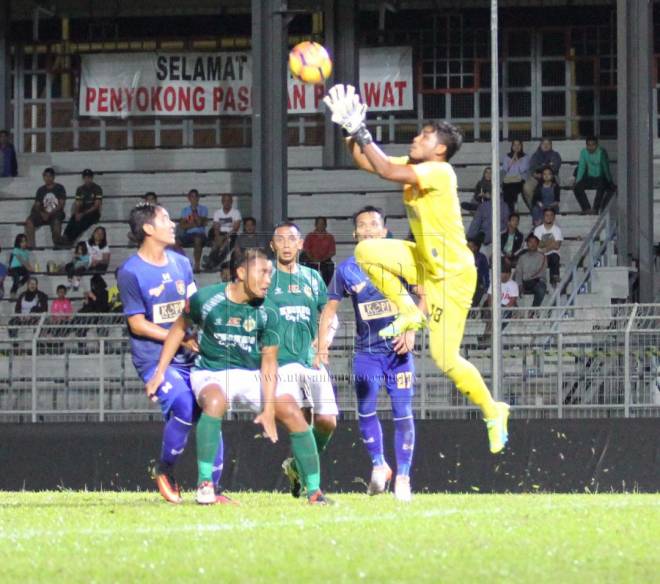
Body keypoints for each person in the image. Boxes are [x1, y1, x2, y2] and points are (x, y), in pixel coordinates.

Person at [324, 84, 509, 453]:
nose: (416, 137)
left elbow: (385, 168)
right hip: (424, 260)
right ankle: (408, 310)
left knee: (445, 359)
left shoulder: (441, 172)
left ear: (439, 148)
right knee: (366, 251)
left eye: (425, 136)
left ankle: (493, 409)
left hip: (453, 276)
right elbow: (368, 163)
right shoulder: (418, 164)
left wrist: (362, 131)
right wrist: (350, 130)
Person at [147, 247, 333, 505]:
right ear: (241, 272)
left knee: (290, 410)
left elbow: (269, 362)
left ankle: (314, 492)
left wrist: (268, 409)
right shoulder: (205, 299)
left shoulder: (269, 311)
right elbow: (179, 329)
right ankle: (205, 484)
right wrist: (159, 374)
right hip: (211, 372)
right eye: (263, 273)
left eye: (270, 273)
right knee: (215, 402)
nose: (269, 279)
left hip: (250, 374)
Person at [117, 203, 224, 505]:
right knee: (183, 403)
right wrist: (177, 339)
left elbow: (193, 308)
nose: (172, 223)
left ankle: (212, 489)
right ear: (148, 229)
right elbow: (137, 324)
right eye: (165, 219)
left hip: (191, 354)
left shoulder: (181, 263)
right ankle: (164, 469)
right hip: (153, 358)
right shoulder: (130, 272)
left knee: (210, 409)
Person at [316, 206, 417, 501]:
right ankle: (379, 465)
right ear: (355, 234)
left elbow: (424, 297)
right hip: (366, 353)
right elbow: (329, 309)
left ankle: (403, 477)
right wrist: (322, 346)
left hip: (398, 353)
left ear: (385, 231)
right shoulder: (347, 269)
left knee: (403, 413)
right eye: (363, 225)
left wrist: (410, 330)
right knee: (366, 406)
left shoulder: (403, 261)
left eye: (375, 224)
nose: (370, 229)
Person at [267, 222, 339, 500]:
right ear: (272, 246)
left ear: (300, 245)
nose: (286, 244)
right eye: (280, 240)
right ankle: (313, 489)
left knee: (327, 422)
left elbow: (329, 314)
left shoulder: (312, 278)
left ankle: (296, 467)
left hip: (311, 360)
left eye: (291, 239)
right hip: (281, 363)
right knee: (300, 420)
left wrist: (324, 342)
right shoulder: (264, 278)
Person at [25, 167, 67, 248]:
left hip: (56, 213)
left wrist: (50, 213)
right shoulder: (41, 190)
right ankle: (31, 246)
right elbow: (37, 205)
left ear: (53, 177)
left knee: (56, 222)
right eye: (46, 176)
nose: (47, 178)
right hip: (43, 213)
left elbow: (61, 204)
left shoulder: (59, 188)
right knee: (29, 221)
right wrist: (42, 213)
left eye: (49, 176)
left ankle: (57, 244)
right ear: (43, 177)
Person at [573, 136, 615, 214]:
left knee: (602, 185)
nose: (590, 147)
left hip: (601, 178)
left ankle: (596, 208)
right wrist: (577, 181)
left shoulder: (602, 152)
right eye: (588, 145)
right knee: (577, 187)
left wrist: (610, 181)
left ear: (597, 145)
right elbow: (581, 167)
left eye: (593, 145)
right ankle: (587, 208)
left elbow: (605, 168)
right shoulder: (584, 152)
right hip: (590, 177)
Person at [481, 259, 519, 340]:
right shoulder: (494, 283)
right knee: (490, 314)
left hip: (506, 309)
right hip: (495, 308)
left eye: (506, 275)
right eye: (502, 274)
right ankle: (488, 335)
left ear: (509, 274)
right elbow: (490, 298)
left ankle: (489, 335)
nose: (504, 276)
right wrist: (492, 309)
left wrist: (501, 310)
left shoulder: (513, 285)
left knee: (501, 315)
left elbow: (512, 301)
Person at [63, 169, 103, 245]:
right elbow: (78, 203)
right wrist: (77, 213)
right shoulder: (80, 189)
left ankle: (70, 240)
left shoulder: (97, 188)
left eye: (89, 177)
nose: (87, 179)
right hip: (83, 211)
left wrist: (83, 214)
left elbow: (96, 205)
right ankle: (65, 237)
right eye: (85, 177)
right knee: (73, 218)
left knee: (82, 223)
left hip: (93, 213)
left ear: (92, 178)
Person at [205, 193, 241, 270]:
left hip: (231, 234)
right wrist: (218, 238)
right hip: (219, 234)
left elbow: (236, 228)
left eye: (228, 200)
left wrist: (224, 238)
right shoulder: (217, 213)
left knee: (225, 246)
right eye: (225, 200)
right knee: (217, 244)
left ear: (231, 202)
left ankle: (212, 261)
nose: (226, 202)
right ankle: (211, 262)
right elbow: (216, 227)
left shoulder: (236, 213)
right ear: (222, 202)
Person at [522, 139, 562, 208]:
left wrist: (541, 168)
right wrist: (548, 165)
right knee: (526, 188)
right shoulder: (535, 155)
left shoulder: (555, 155)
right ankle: (535, 208)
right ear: (540, 145)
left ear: (551, 145)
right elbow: (532, 168)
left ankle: (549, 209)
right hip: (537, 177)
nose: (546, 145)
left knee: (553, 186)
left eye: (548, 144)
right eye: (544, 144)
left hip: (552, 177)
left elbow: (555, 167)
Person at [177, 189, 208, 273]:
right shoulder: (185, 210)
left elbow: (201, 222)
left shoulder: (203, 209)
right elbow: (182, 225)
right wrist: (194, 225)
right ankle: (181, 264)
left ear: (198, 198)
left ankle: (197, 265)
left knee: (198, 239)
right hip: (188, 235)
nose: (194, 199)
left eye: (195, 196)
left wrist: (194, 212)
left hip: (200, 234)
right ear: (189, 198)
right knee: (176, 242)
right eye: (192, 196)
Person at [514, 234, 547, 307]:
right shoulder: (522, 257)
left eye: (534, 242)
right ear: (527, 244)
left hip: (536, 282)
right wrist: (519, 284)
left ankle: (532, 311)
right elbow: (518, 273)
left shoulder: (542, 257)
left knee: (541, 288)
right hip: (525, 282)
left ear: (537, 244)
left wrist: (528, 277)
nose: (532, 244)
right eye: (530, 242)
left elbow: (540, 273)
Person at [302, 217, 336, 285]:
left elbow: (332, 252)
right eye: (319, 224)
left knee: (330, 267)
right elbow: (306, 250)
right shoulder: (310, 236)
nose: (321, 225)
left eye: (323, 224)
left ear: (326, 225)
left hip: (325, 261)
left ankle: (326, 288)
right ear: (315, 225)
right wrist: (313, 259)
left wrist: (322, 260)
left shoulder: (330, 237)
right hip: (311, 261)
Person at [533, 208, 563, 286]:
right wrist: (551, 243)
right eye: (547, 215)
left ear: (554, 217)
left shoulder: (557, 230)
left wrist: (545, 247)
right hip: (540, 255)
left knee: (554, 257)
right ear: (543, 216)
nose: (549, 217)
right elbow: (536, 245)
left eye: (551, 215)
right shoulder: (538, 229)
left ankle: (554, 278)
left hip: (552, 255)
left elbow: (557, 246)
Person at [501, 139, 529, 214]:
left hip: (520, 180)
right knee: (506, 190)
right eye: (514, 145)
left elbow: (522, 169)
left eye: (518, 145)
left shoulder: (525, 157)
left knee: (513, 188)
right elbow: (505, 169)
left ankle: (513, 209)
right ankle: (510, 210)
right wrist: (512, 159)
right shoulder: (507, 156)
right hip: (509, 180)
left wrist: (518, 160)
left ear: (521, 146)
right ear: (512, 146)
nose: (516, 147)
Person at [8, 234, 33, 298]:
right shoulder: (16, 250)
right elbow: (21, 260)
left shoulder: (26, 252)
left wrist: (31, 268)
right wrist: (28, 267)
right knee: (16, 278)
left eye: (25, 241)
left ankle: (21, 283)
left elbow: (27, 262)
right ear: (18, 243)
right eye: (22, 242)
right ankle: (13, 292)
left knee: (28, 273)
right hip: (14, 268)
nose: (24, 243)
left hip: (21, 268)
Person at [467, 238, 490, 308]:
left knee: (474, 305)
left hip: (478, 284)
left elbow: (486, 273)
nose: (469, 248)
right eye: (468, 246)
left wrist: (486, 286)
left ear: (476, 247)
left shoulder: (481, 257)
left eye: (471, 246)